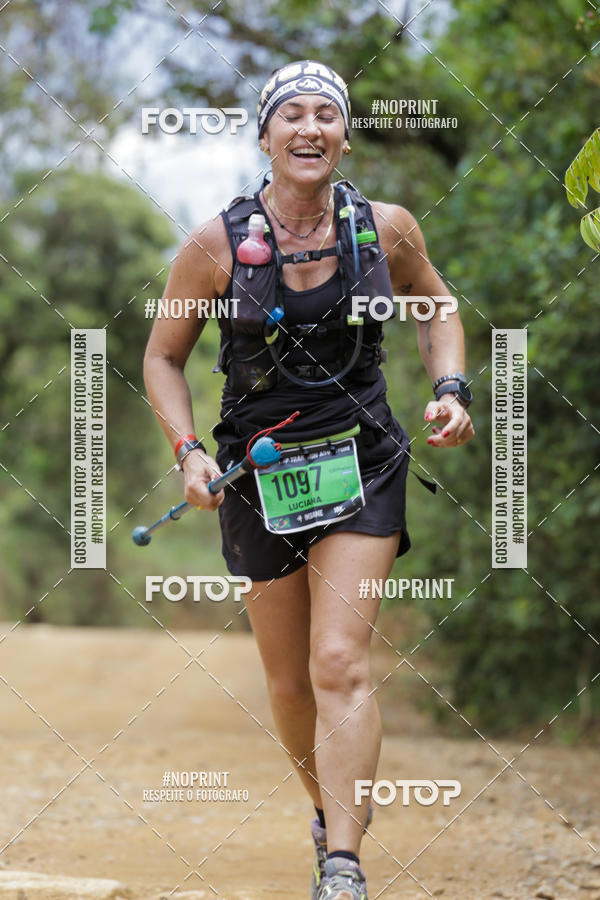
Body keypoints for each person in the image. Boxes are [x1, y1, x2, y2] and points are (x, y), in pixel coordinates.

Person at [144, 59, 474, 900]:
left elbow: (435, 303)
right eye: (290, 115)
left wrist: (450, 388)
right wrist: (188, 451)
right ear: (264, 135)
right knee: (289, 682)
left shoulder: (385, 228)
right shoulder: (214, 244)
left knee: (338, 663)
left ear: (345, 135)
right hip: (257, 478)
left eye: (325, 114)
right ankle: (327, 811)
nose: (309, 128)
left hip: (362, 462)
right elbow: (163, 355)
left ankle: (344, 864)